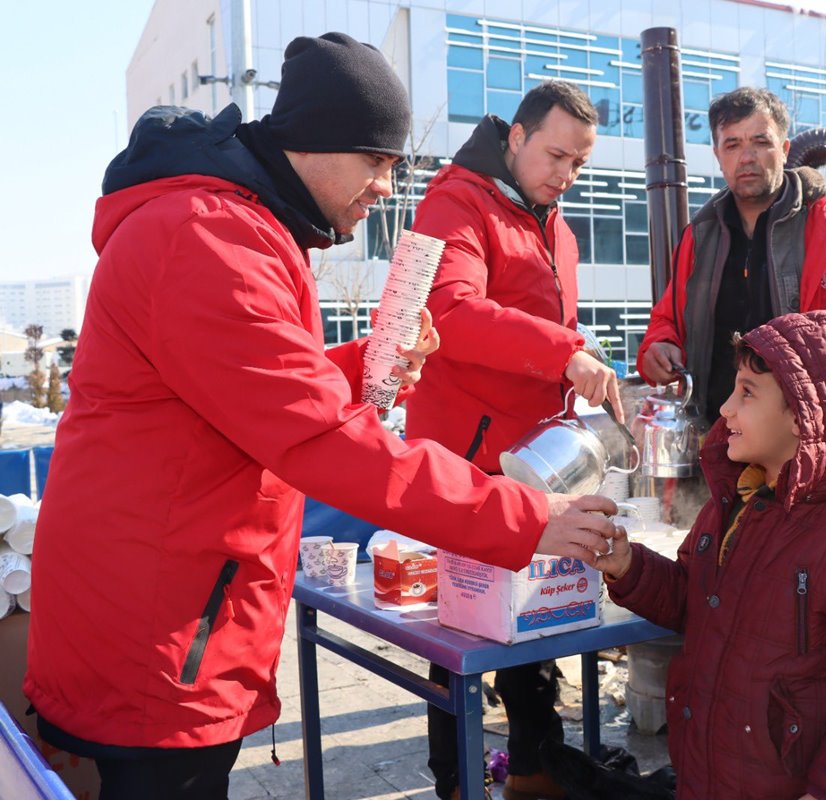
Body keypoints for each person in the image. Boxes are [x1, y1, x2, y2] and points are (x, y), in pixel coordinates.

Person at [25, 34, 616, 800]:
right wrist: (523, 516)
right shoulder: (208, 237)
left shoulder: (237, 228)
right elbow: (316, 435)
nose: (384, 187)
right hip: (156, 630)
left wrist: (371, 364)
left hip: (172, 603)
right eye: (377, 162)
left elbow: (249, 391)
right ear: (315, 143)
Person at [597, 311, 826, 799]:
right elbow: (691, 599)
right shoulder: (731, 508)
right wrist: (628, 565)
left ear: (803, 415)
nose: (726, 409)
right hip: (709, 772)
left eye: (747, 392)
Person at [404, 80, 618, 800]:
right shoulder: (452, 201)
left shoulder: (557, 226)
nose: (566, 174)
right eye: (556, 154)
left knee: (536, 622)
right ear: (517, 137)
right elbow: (450, 311)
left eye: (579, 163)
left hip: (534, 462)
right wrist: (564, 351)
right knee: (457, 640)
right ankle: (457, 784)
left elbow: (542, 335)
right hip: (463, 456)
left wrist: (577, 367)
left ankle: (534, 771)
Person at [637, 87, 826, 477]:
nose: (746, 156)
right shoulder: (698, 236)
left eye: (760, 141)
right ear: (717, 155)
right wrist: (658, 347)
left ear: (783, 147)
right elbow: (666, 323)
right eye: (732, 144)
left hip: (815, 465)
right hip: (718, 461)